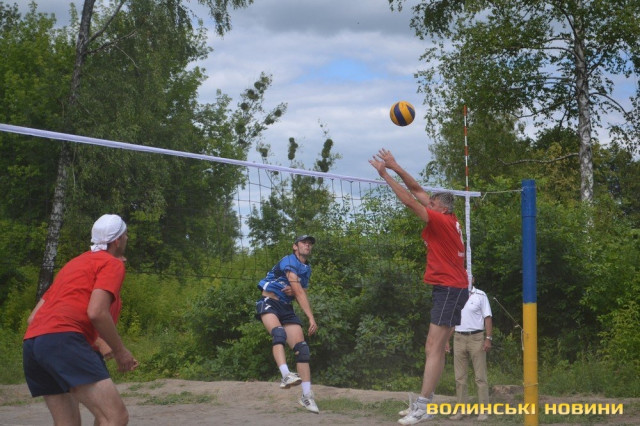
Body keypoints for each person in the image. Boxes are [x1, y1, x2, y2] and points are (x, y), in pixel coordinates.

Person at [369, 149, 469, 425]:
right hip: (450, 288)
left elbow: (409, 201)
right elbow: (416, 190)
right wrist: (396, 165)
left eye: (431, 202)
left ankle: (423, 406)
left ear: (441, 208)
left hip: (450, 288)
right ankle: (426, 402)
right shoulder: (447, 217)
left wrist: (385, 175)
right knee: (433, 347)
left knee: (433, 347)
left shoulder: (441, 220)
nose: (427, 202)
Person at [23, 214, 138, 426]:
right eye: (125, 235)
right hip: (63, 341)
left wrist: (97, 342)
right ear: (117, 241)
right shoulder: (112, 264)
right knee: (115, 417)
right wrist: (121, 351)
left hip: (34, 345)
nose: (127, 238)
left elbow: (33, 318)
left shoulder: (74, 264)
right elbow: (97, 312)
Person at [255, 235, 320, 414]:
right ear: (295, 246)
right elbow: (299, 291)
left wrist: (294, 289)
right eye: (304, 242)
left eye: (310, 243)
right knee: (279, 334)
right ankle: (285, 375)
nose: (307, 245)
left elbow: (302, 290)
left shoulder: (306, 269)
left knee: (302, 349)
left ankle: (306, 396)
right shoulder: (289, 261)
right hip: (269, 301)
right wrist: (311, 318)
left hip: (286, 307)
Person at [445, 285, 493, 421]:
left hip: (476, 337)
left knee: (480, 376)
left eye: (468, 276)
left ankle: (483, 410)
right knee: (459, 377)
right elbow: (453, 319)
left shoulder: (481, 295)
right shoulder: (456, 294)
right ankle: (462, 410)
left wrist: (488, 338)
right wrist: (447, 339)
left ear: (473, 279)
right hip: (459, 337)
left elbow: (488, 317)